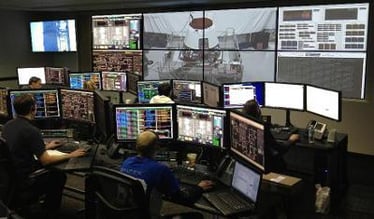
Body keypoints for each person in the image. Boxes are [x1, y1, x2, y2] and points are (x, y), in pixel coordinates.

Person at [1, 94, 86, 218]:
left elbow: (18, 146)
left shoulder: (8, 125)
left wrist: (44, 147)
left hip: (10, 178)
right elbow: (46, 160)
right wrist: (70, 155)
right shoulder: (31, 130)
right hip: (25, 180)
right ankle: (49, 212)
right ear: (32, 108)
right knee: (58, 175)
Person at [120, 130, 213, 217]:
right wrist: (199, 188)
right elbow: (183, 199)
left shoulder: (127, 162)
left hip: (130, 215)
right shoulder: (161, 170)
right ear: (157, 147)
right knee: (196, 216)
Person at [242, 99, 299, 173]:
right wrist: (291, 140)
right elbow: (280, 149)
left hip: (251, 163)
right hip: (267, 166)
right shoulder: (261, 128)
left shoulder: (242, 125)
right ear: (258, 113)